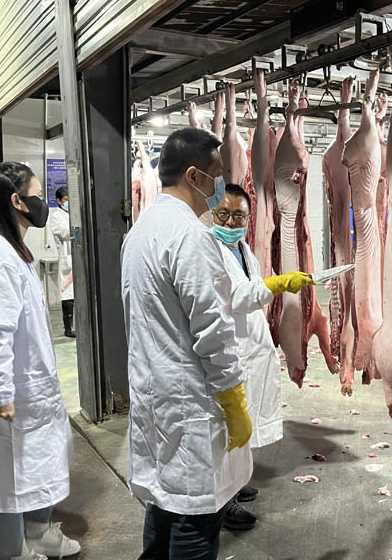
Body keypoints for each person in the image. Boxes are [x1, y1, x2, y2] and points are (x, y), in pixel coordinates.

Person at [121, 128, 312, 559]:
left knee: (164, 507)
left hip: (156, 394)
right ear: (193, 176)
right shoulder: (191, 237)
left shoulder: (142, 230)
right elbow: (213, 330)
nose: (221, 183)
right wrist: (233, 399)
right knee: (196, 520)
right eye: (217, 173)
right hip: (192, 404)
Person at [0, 161, 80, 560]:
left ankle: (38, 532)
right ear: (17, 200)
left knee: (35, 467)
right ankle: (5, 551)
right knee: (9, 477)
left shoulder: (15, 249)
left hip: (30, 387)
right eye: (37, 194)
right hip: (10, 392)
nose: (42, 202)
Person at [211, 184, 308, 531]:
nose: (231, 222)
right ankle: (223, 503)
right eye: (224, 214)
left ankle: (236, 484)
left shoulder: (244, 250)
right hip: (230, 352)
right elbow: (237, 297)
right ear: (212, 213)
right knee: (228, 431)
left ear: (248, 219)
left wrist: (269, 286)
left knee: (245, 427)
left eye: (239, 216)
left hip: (251, 347)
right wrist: (277, 284)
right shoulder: (210, 251)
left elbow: (251, 289)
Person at [49, 186, 75, 337]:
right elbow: (65, 233)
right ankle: (68, 328)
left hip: (77, 258)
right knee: (67, 293)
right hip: (67, 258)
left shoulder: (73, 214)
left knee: (76, 293)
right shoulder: (56, 216)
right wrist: (77, 226)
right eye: (65, 200)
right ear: (59, 201)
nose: (68, 202)